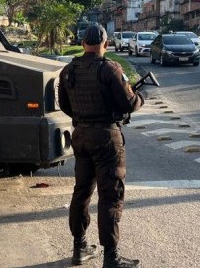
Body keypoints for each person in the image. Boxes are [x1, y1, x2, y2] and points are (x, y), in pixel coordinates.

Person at [58, 24, 145, 267]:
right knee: (110, 196)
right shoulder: (110, 68)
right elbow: (129, 103)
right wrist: (140, 97)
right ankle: (111, 258)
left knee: (81, 192)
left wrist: (83, 117)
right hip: (107, 138)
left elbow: (64, 104)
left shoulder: (68, 70)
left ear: (84, 43)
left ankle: (80, 247)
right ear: (105, 45)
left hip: (81, 136)